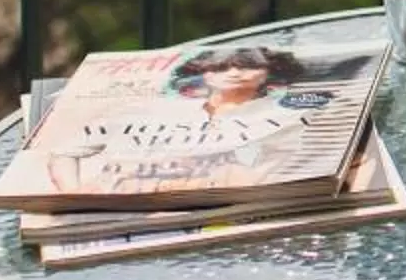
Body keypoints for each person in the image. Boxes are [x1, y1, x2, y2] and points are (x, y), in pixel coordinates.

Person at [36, 48, 318, 196]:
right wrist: (73, 193)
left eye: (247, 65)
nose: (233, 71)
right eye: (221, 66)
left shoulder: (282, 118)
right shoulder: (156, 112)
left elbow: (260, 167)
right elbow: (64, 151)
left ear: (269, 72)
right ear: (205, 73)